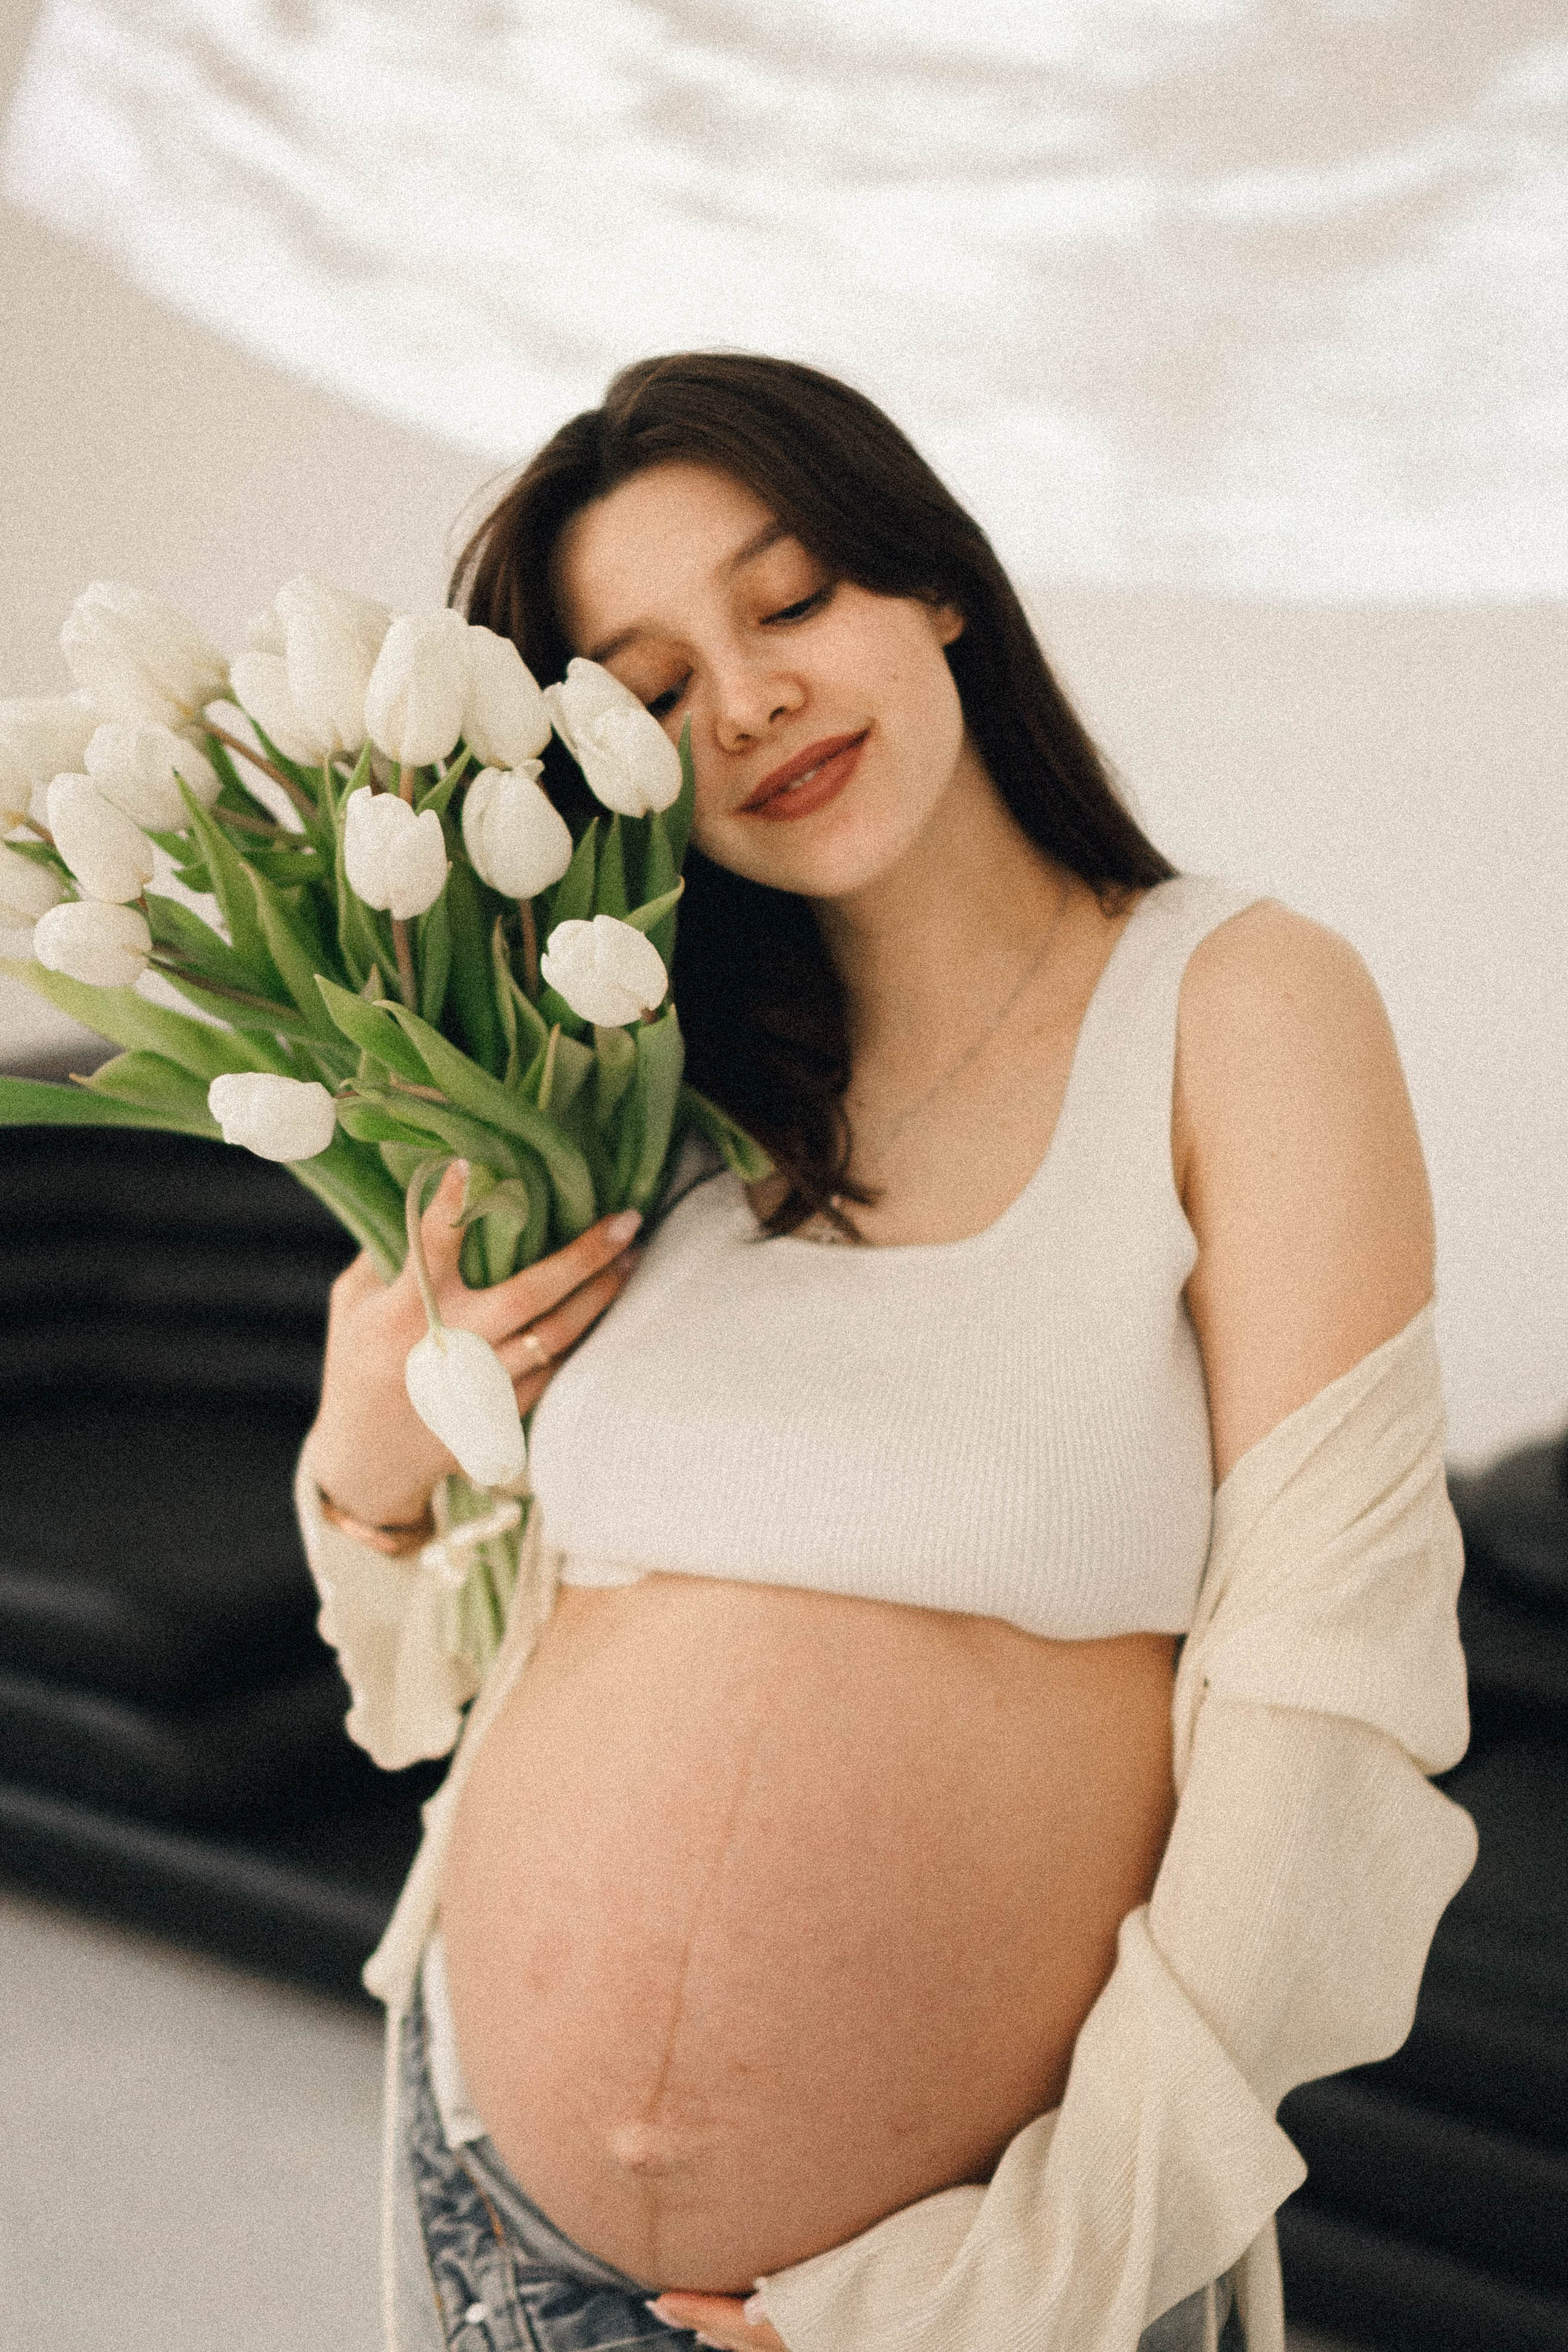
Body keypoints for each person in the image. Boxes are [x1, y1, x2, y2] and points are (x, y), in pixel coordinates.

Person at [297, 353, 1477, 2352]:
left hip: (967, 2291)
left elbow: (1330, 1704)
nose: (745, 702)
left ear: (935, 586)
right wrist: (371, 1454)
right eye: (655, 684)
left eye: (793, 601)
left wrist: (1009, 2285)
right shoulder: (626, 1089)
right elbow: (435, 1684)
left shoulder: (1237, 1002)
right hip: (494, 2196)